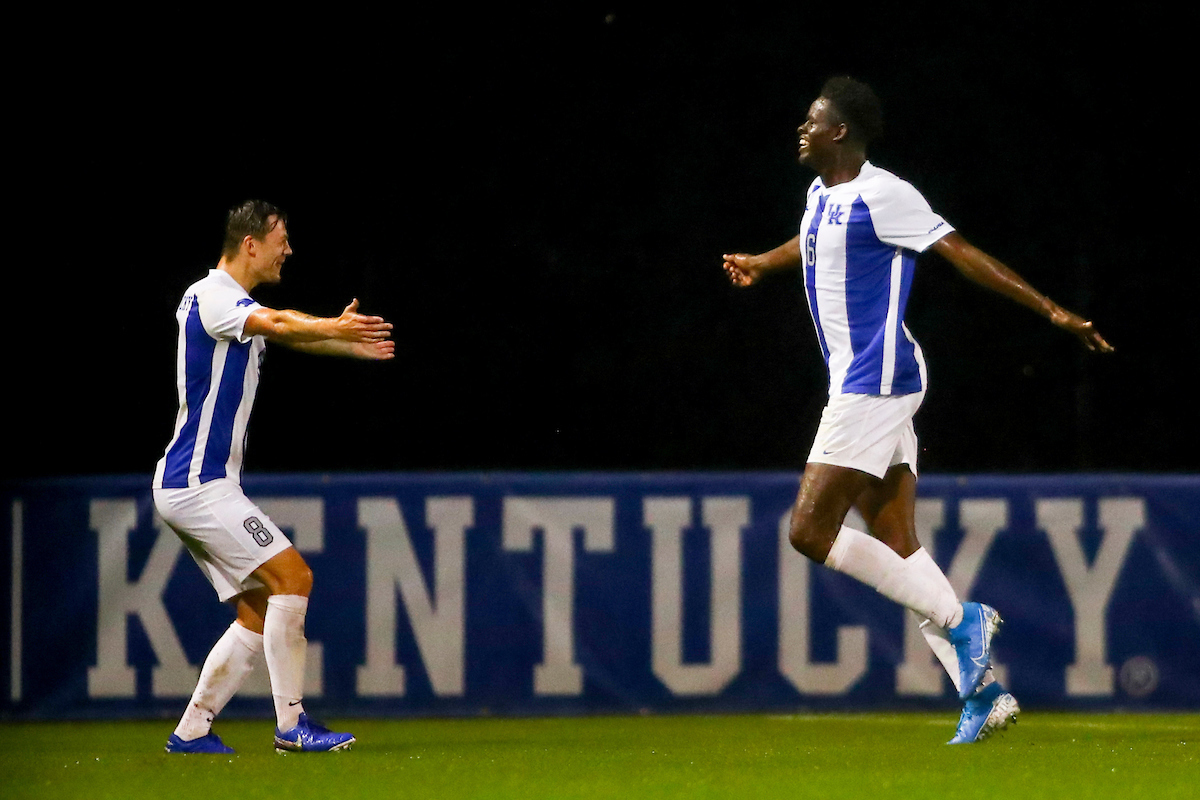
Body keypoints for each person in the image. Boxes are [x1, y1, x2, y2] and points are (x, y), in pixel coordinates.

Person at [722, 77, 1113, 744]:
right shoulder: (820, 194)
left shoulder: (887, 194)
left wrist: (1051, 310)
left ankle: (963, 621)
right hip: (867, 380)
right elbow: (811, 243)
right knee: (897, 543)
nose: (803, 128)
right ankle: (982, 695)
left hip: (875, 382)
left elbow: (963, 255)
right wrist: (763, 262)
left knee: (808, 532)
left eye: (813, 120)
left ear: (840, 131)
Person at [154, 199, 395, 754]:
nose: (288, 250)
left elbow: (284, 332)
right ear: (250, 244)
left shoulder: (226, 304)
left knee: (260, 608)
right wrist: (335, 325)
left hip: (193, 484)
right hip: (198, 485)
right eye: (281, 239)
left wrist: (345, 343)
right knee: (294, 578)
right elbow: (283, 322)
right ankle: (292, 725)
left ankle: (192, 731)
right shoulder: (216, 296)